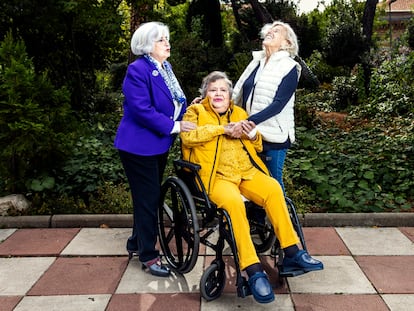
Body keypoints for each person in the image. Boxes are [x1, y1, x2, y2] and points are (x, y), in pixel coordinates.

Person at [180, 71, 323, 304]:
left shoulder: (239, 113)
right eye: (213, 90)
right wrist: (222, 130)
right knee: (234, 204)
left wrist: (251, 132)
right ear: (205, 94)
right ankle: (253, 269)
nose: (218, 94)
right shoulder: (195, 112)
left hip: (245, 172)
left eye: (223, 90)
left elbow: (256, 146)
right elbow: (189, 138)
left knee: (273, 189)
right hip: (216, 177)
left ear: (230, 95)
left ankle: (293, 252)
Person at [114, 21, 196, 277]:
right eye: (161, 40)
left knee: (145, 197)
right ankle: (148, 255)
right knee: (148, 199)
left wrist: (189, 107)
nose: (167, 43)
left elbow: (172, 104)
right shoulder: (137, 70)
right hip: (138, 147)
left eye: (166, 38)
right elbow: (142, 110)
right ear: (147, 45)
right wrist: (176, 126)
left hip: (157, 145)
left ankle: (136, 242)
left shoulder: (165, 68)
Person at [232, 21, 301, 195]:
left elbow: (278, 105)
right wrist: (207, 103)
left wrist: (248, 121)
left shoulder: (290, 67)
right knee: (252, 182)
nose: (270, 32)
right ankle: (257, 221)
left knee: (273, 184)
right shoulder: (257, 62)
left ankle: (284, 221)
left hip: (274, 137)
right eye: (269, 30)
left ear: (287, 43)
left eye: (277, 31)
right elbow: (237, 93)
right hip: (250, 133)